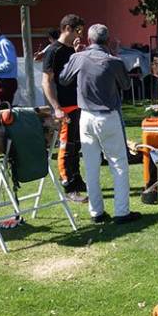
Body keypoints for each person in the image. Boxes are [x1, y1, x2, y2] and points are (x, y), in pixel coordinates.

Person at [59, 23, 139, 225]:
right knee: (118, 164)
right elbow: (126, 85)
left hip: (85, 116)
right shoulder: (113, 61)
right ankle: (122, 212)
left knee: (91, 166)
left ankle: (96, 212)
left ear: (89, 40)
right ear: (107, 40)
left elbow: (63, 79)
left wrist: (74, 56)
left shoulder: (78, 57)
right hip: (107, 116)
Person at [42, 14, 88, 204]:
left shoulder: (70, 50)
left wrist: (77, 52)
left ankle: (77, 180)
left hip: (78, 104)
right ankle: (68, 185)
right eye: (78, 30)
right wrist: (56, 107)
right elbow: (46, 81)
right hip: (64, 107)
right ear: (67, 28)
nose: (80, 34)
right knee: (67, 146)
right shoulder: (53, 51)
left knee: (76, 145)